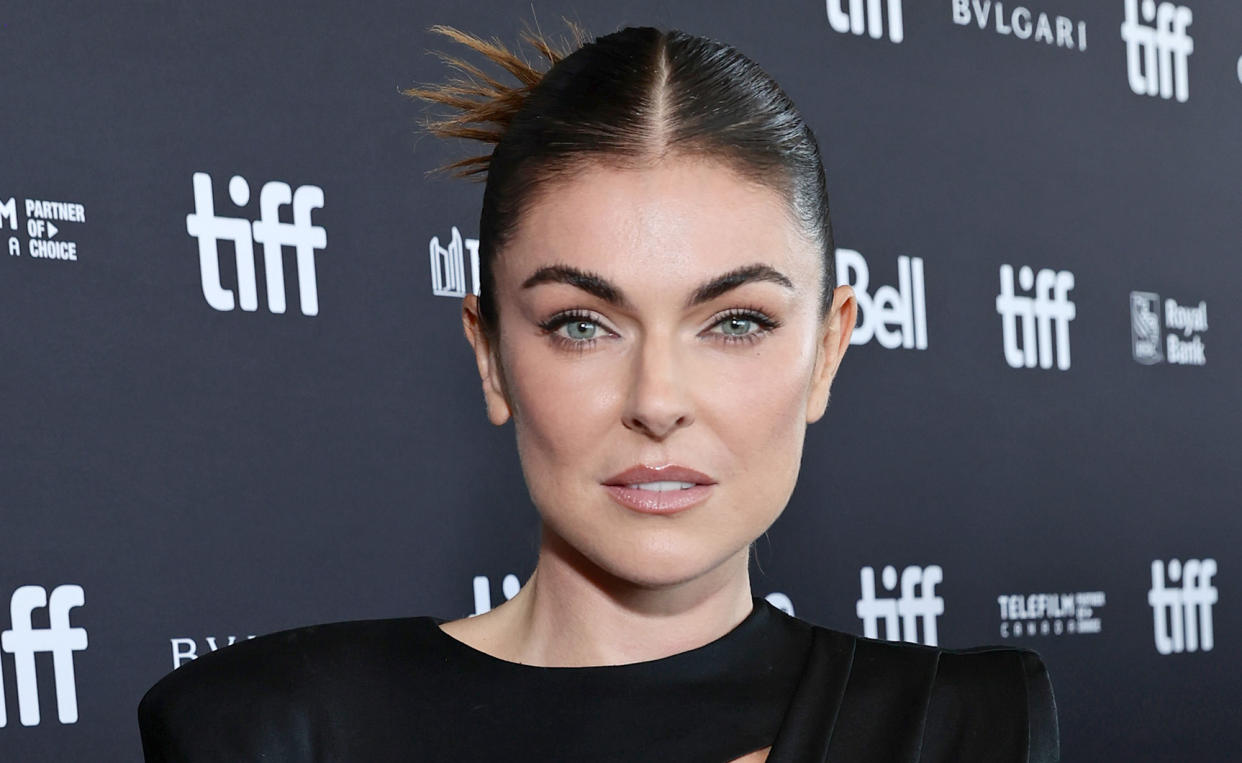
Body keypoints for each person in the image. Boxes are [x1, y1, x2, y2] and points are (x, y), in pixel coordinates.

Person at [137, 22, 1059, 762]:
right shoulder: (268, 730)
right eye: (582, 323)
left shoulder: (963, 728)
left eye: (735, 321)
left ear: (826, 351)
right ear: (491, 354)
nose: (657, 400)